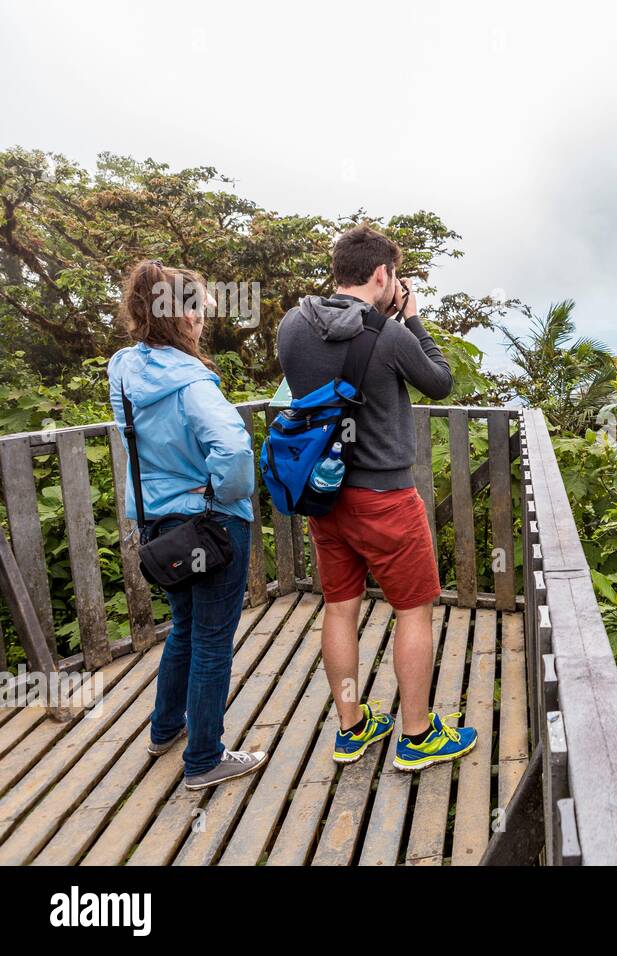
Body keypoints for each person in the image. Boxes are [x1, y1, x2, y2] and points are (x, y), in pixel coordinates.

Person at [277, 224, 477, 771]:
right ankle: (416, 737)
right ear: (384, 274)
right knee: (413, 610)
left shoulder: (293, 324)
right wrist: (410, 318)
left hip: (324, 493)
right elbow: (439, 382)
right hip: (385, 497)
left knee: (339, 608)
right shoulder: (390, 336)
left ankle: (352, 727)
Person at [108, 260, 266, 790]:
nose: (203, 320)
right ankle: (203, 759)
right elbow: (234, 453)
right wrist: (221, 494)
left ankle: (164, 729)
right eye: (197, 309)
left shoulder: (124, 372)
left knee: (185, 629)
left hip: (158, 527)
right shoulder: (194, 383)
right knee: (214, 640)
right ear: (181, 317)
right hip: (209, 526)